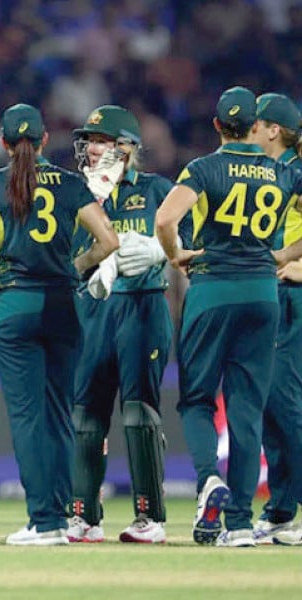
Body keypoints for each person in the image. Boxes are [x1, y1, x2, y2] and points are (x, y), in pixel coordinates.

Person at [0, 103, 119, 546]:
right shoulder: (70, 185)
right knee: (58, 416)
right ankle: (63, 517)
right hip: (63, 305)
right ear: (46, 140)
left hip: (16, 305)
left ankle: (43, 521)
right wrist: (76, 265)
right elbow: (109, 240)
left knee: (29, 418)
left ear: (4, 144)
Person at [155, 86, 302, 548]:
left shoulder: (204, 168)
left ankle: (207, 481)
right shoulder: (281, 171)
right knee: (247, 408)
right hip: (263, 293)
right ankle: (239, 523)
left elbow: (164, 219)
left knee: (197, 398)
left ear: (217, 125)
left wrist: (176, 254)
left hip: (213, 286)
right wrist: (280, 256)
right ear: (252, 125)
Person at [68, 105, 174, 544]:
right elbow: (65, 264)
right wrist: (95, 262)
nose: (91, 149)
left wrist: (159, 250)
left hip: (144, 308)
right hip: (93, 311)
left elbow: (193, 242)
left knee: (137, 411)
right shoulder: (77, 197)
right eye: (89, 141)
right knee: (86, 417)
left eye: (102, 141)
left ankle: (150, 517)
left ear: (126, 148)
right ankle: (84, 516)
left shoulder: (157, 190)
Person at [251, 92, 302, 546]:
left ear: (273, 129)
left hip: (295, 297)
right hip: (272, 293)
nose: (248, 127)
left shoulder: (298, 173)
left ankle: (286, 507)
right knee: (273, 404)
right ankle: (283, 510)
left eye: (256, 122)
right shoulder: (266, 174)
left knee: (287, 405)